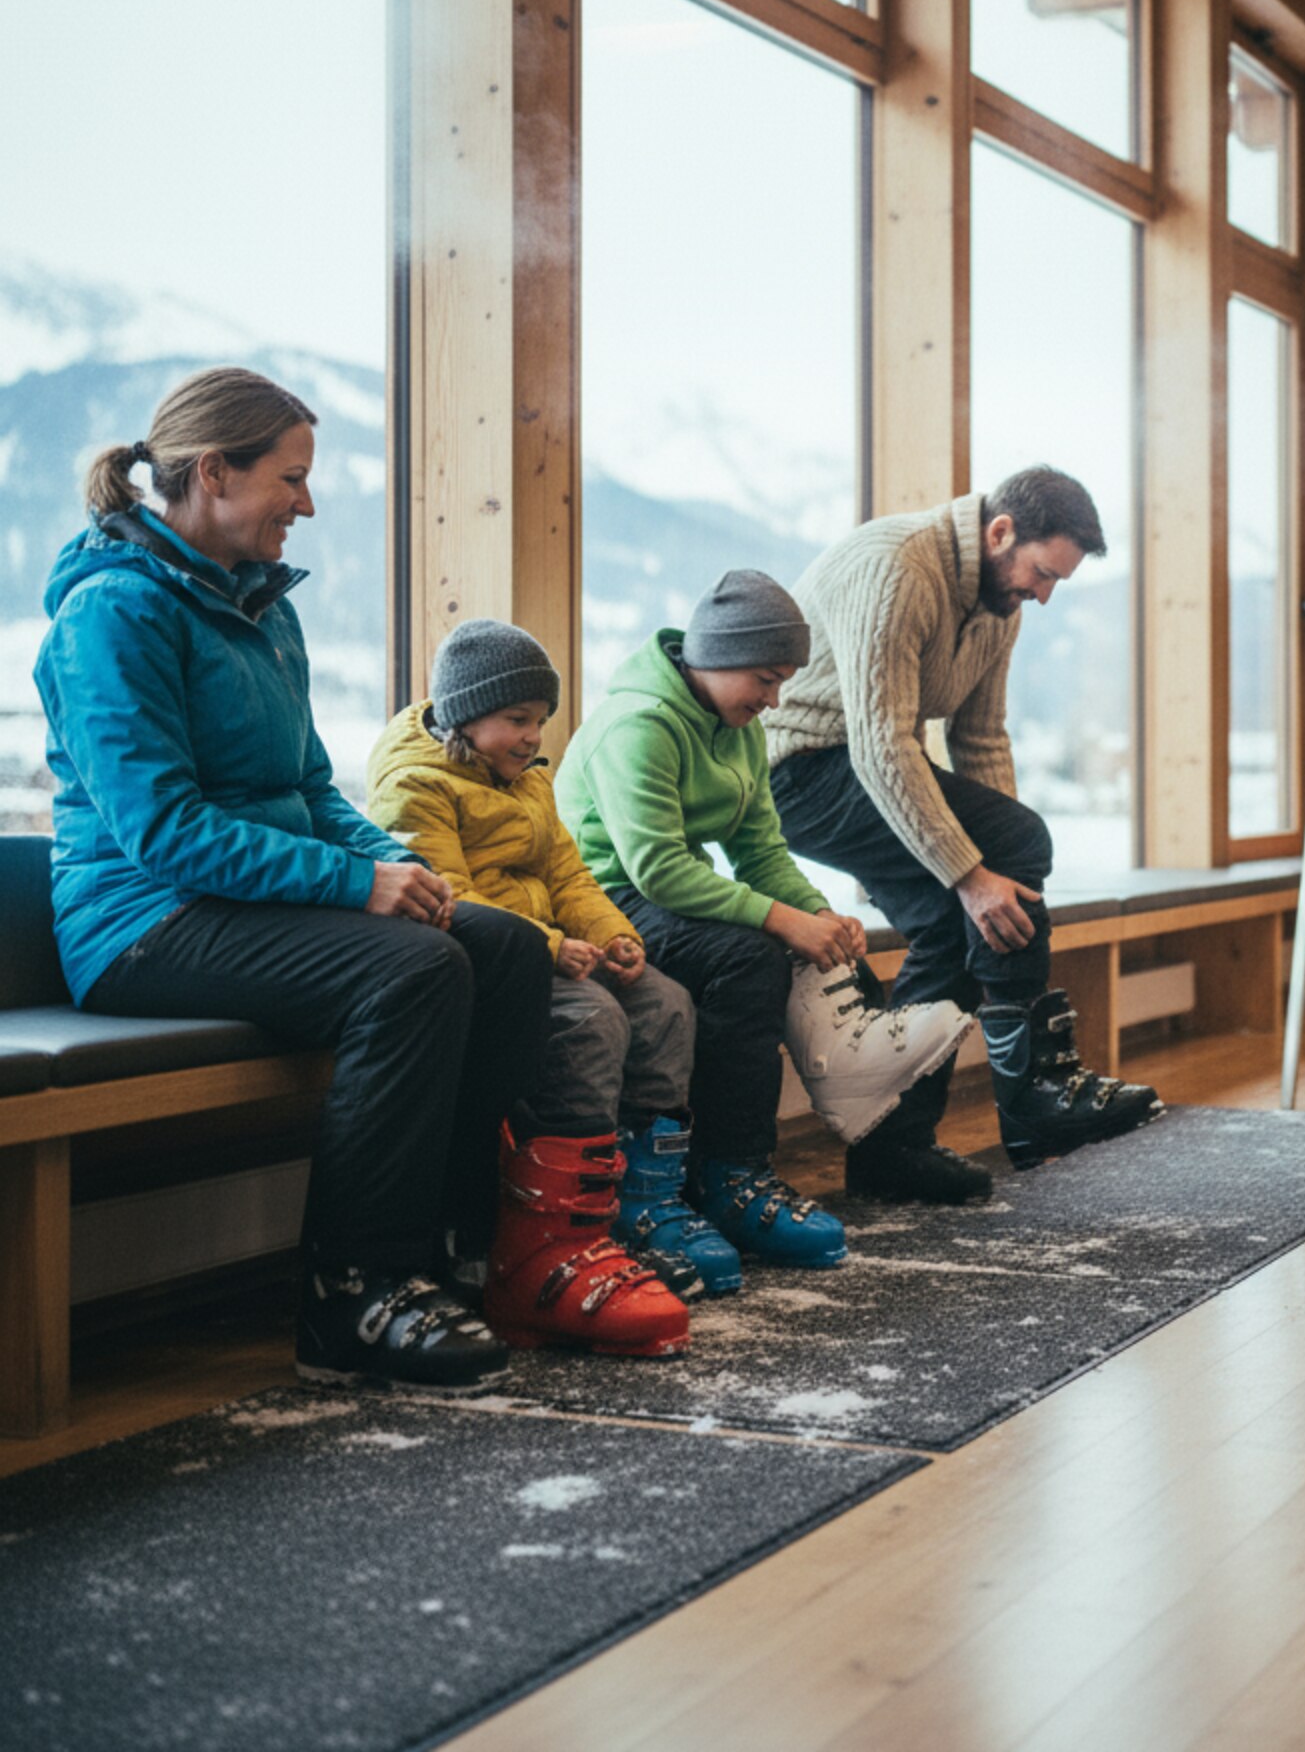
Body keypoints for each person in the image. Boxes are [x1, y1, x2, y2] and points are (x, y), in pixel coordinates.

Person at [34, 367, 551, 1392]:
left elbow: (312, 784)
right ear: (213, 472)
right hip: (144, 920)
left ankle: (455, 1251)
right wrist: (353, 887)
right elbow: (163, 831)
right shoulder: (108, 617)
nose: (307, 504)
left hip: (247, 905)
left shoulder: (263, 609)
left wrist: (391, 863)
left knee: (499, 942)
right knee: (411, 971)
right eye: (293, 478)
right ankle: (352, 1293)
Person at [768, 467, 1163, 1204]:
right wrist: (976, 871)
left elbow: (980, 740)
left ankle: (892, 1150)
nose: (1043, 596)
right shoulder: (899, 569)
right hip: (799, 772)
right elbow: (881, 745)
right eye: (1042, 574)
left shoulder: (997, 603)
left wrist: (1003, 873)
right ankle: (1036, 1090)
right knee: (993, 866)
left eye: (1057, 585)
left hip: (869, 768)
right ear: (1000, 531)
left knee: (957, 921)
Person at [557, 570, 963, 1267]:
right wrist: (781, 922)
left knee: (812, 944)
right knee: (748, 955)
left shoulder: (739, 728)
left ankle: (842, 1068)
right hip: (595, 899)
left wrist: (817, 915)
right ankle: (732, 1175)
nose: (774, 700)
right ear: (717, 657)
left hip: (664, 892)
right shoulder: (639, 726)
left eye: (782, 684)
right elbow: (653, 868)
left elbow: (759, 850)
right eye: (766, 680)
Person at [367, 620, 711, 1356]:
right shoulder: (416, 787)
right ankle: (550, 1240)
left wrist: (616, 936)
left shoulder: (526, 781)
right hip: (491, 965)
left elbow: (568, 876)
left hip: (555, 948)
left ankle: (631, 1212)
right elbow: (449, 903)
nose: (532, 736)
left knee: (664, 1004)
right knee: (592, 1021)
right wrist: (555, 948)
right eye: (516, 719)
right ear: (465, 715)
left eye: (540, 721)